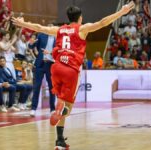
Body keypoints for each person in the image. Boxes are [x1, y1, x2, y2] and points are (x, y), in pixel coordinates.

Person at [12, 1, 135, 149]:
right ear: (80, 18)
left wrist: (22, 23)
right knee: (67, 108)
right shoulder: (82, 29)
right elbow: (103, 22)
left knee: (61, 101)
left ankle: (59, 140)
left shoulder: (59, 29)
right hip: (71, 70)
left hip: (56, 68)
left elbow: (39, 28)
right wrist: (122, 12)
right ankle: (61, 110)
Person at [29, 24, 56, 117]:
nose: (48, 29)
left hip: (51, 64)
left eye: (51, 28)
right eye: (48, 27)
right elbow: (31, 47)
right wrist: (31, 43)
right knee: (36, 86)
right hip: (40, 63)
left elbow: (60, 51)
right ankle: (33, 109)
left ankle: (52, 109)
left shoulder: (58, 38)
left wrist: (51, 53)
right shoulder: (41, 35)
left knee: (52, 87)